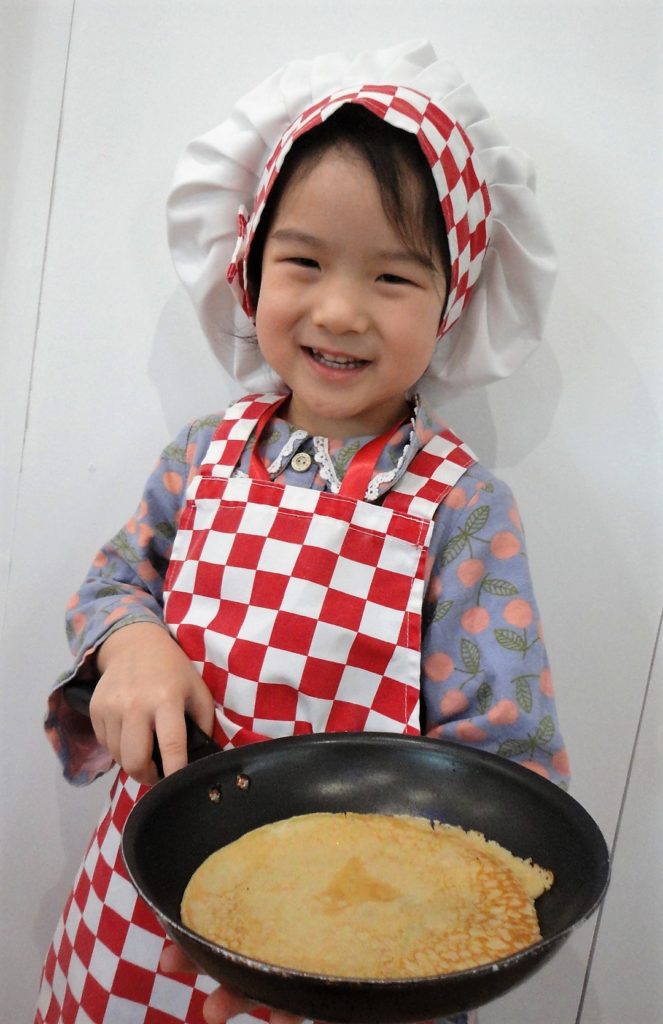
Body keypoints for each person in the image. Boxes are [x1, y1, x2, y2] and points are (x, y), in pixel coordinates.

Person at [35, 40, 569, 1024]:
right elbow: (112, 582)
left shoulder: (462, 510)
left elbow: (508, 776)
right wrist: (134, 643)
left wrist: (397, 955)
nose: (340, 310)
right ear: (248, 264)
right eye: (305, 262)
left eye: (393, 277)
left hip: (361, 957)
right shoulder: (202, 456)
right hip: (138, 918)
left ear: (452, 299)